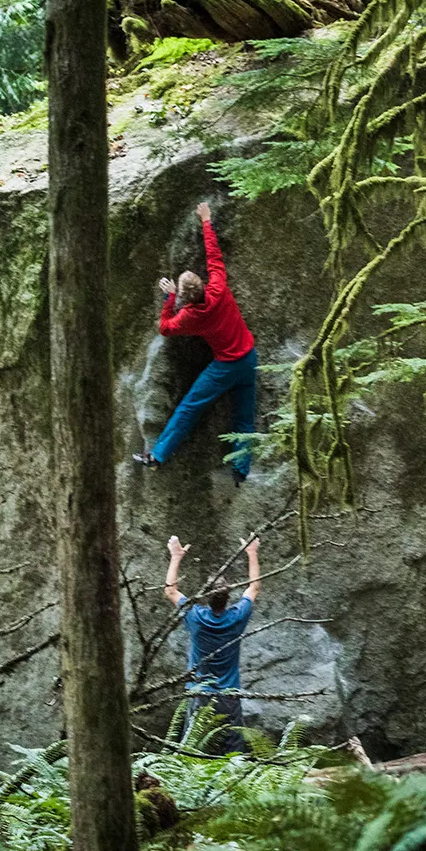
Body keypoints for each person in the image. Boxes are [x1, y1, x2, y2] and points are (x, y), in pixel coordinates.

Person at [133, 201, 258, 483]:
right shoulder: (219, 287)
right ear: (203, 283)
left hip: (225, 367)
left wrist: (168, 299)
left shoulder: (190, 317)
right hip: (249, 359)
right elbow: (214, 255)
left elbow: (164, 328)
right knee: (244, 418)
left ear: (184, 297)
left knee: (190, 407)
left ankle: (158, 455)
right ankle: (240, 470)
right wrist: (206, 220)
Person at [164, 533, 261, 752]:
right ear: (228, 598)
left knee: (196, 749)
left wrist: (176, 556)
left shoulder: (195, 617)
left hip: (199, 693)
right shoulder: (237, 617)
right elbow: (254, 588)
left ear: (205, 596)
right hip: (229, 695)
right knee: (233, 752)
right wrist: (252, 552)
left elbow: (170, 590)